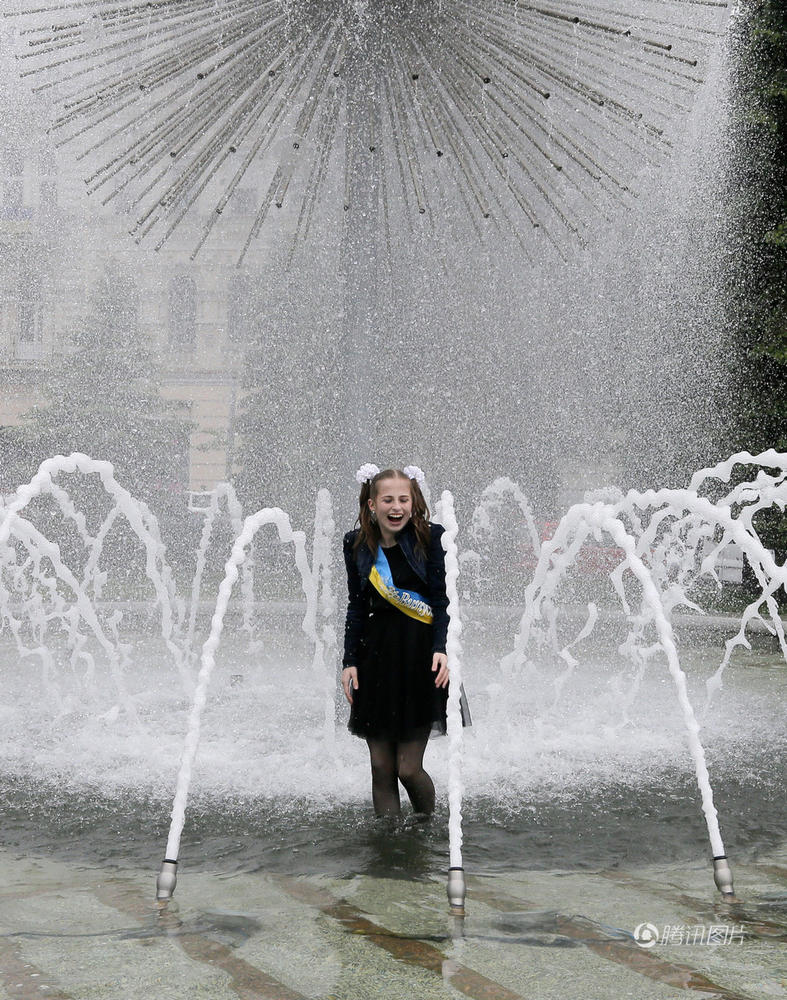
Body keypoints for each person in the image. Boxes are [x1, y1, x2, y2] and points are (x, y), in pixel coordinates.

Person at [341, 464, 450, 817]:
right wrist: (349, 662)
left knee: (408, 768)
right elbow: (356, 605)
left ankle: (425, 828)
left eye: (404, 499)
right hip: (375, 658)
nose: (396, 506)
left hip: (422, 659)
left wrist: (441, 648)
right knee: (380, 767)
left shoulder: (430, 538)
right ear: (372, 504)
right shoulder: (355, 544)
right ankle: (388, 845)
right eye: (387, 499)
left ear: (413, 501)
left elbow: (441, 600)